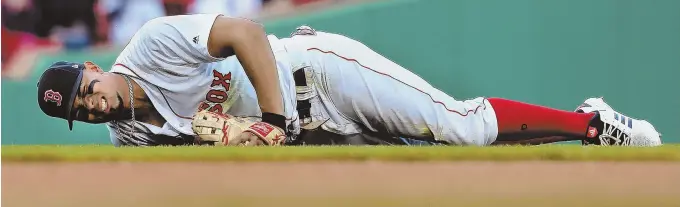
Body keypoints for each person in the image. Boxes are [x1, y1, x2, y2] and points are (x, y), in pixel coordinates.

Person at [36, 14, 662, 147]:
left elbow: (247, 35)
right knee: (437, 159)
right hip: (316, 138)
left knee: (459, 128)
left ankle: (592, 123)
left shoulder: (149, 46)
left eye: (86, 92)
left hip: (320, 75)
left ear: (93, 69)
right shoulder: (132, 139)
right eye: (78, 112)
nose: (91, 106)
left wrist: (274, 123)